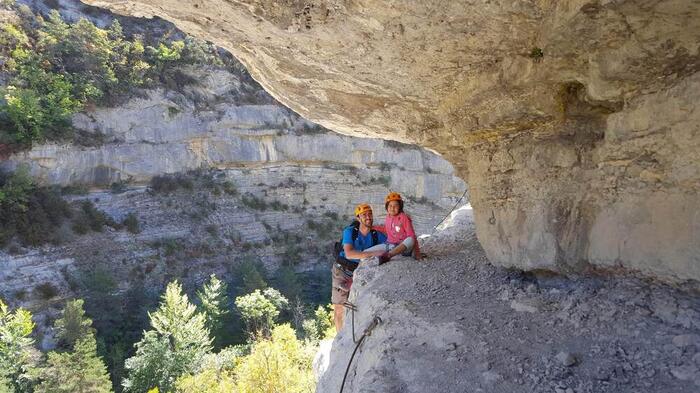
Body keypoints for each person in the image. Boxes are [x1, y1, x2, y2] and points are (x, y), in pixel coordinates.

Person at [331, 203, 387, 331]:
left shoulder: (375, 235)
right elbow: (349, 254)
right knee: (339, 307)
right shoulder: (350, 232)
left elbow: (392, 243)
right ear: (358, 218)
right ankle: (340, 337)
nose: (368, 217)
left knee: (356, 305)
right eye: (364, 215)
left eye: (370, 214)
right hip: (342, 271)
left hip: (359, 271)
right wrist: (373, 253)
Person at [378, 192, 421, 264]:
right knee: (366, 252)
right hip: (391, 245)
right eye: (390, 206)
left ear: (400, 207)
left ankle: (388, 255)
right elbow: (387, 229)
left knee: (410, 239)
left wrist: (417, 253)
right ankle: (388, 254)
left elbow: (412, 236)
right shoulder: (388, 217)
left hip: (404, 248)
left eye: (395, 206)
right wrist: (373, 227)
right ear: (387, 207)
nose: (392, 208)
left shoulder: (404, 217)